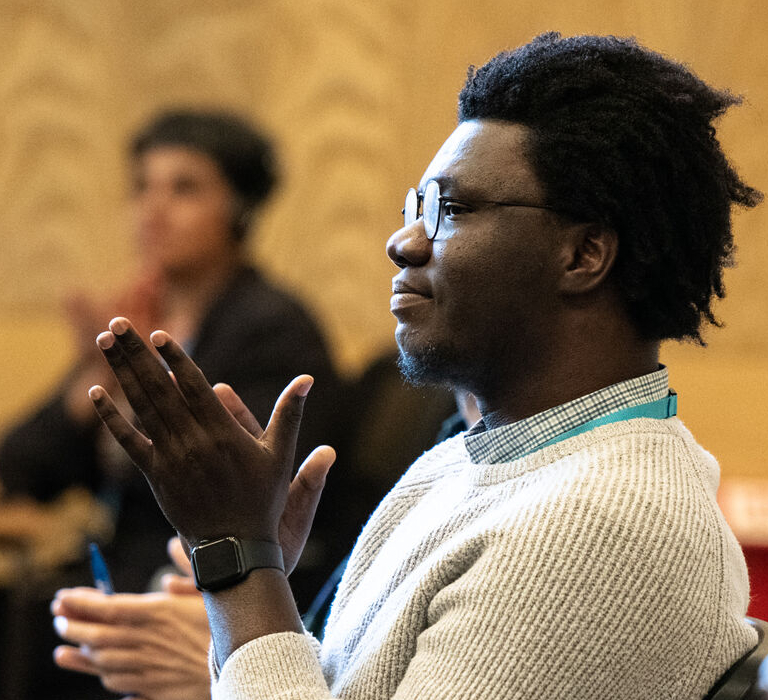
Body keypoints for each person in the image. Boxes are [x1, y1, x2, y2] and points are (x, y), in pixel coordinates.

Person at [54, 33, 762, 699]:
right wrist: (250, 579)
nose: (403, 241)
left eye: (450, 208)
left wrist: (239, 561)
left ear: (583, 256)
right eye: (415, 205)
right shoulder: (473, 463)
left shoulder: (597, 525)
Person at [0, 109, 339, 597]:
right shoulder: (137, 316)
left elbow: (244, 496)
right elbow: (23, 468)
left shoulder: (272, 327)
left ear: (239, 209)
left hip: (204, 584)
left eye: (184, 189)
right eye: (142, 186)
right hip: (123, 568)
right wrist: (98, 375)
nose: (153, 209)